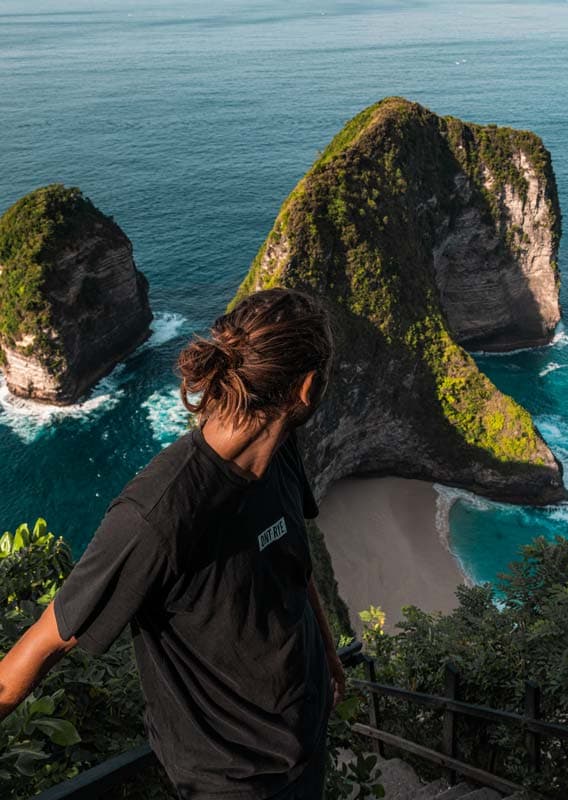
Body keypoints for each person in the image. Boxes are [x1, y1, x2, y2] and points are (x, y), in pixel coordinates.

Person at [0, 286, 346, 800]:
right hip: (233, 779)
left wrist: (330, 656)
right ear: (307, 388)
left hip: (304, 731)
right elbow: (47, 640)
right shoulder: (158, 513)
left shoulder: (278, 450)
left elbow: (293, 560)